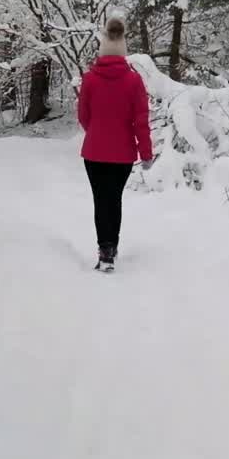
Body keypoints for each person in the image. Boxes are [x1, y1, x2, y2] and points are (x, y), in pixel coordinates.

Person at [77, 16, 153, 271]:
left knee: (101, 200)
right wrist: (146, 153)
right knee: (115, 199)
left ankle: (105, 249)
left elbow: (83, 117)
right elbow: (141, 120)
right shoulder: (134, 81)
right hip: (123, 154)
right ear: (123, 49)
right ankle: (112, 245)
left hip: (94, 152)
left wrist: (97, 132)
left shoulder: (89, 79)